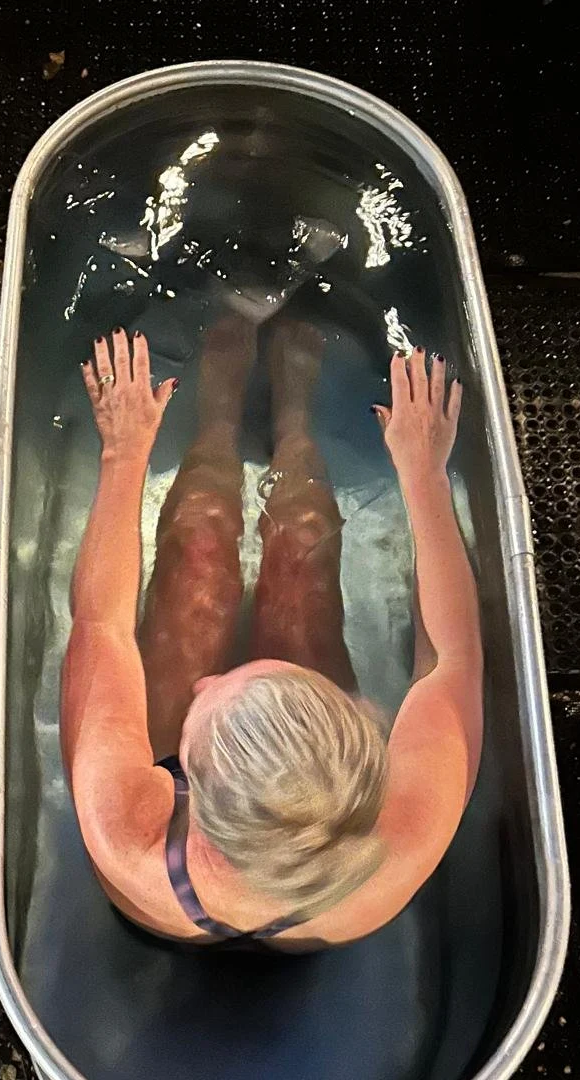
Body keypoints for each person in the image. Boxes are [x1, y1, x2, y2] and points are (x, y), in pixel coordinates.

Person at [61, 315, 483, 949]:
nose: (211, 675)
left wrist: (124, 451)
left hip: (175, 900)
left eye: (212, 693)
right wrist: (422, 473)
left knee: (199, 553)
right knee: (300, 569)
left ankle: (227, 425)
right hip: (314, 901)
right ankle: (271, 423)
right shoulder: (404, 837)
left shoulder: (125, 826)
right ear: (361, 725)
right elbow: (452, 657)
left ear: (190, 791)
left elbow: (102, 624)